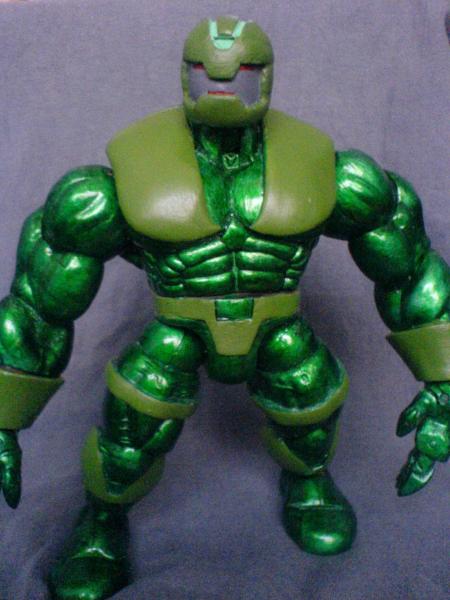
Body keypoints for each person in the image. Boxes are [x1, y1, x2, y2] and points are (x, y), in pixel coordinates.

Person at [0, 16, 447, 600]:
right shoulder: (118, 181)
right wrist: (6, 411)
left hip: (278, 325)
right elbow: (39, 300)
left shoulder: (331, 170)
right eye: (205, 74)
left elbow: (408, 265)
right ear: (185, 76)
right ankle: (101, 525)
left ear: (266, 79)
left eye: (241, 75)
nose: (223, 85)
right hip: (178, 328)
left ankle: (308, 485)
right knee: (128, 439)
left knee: (310, 411)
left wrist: (442, 377)